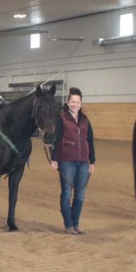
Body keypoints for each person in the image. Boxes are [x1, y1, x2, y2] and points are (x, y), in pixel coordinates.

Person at [49, 87, 95, 235]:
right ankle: (68, 224)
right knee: (67, 193)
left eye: (78, 102)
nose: (75, 104)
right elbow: (55, 140)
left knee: (80, 195)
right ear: (68, 103)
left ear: (81, 103)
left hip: (83, 161)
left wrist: (92, 161)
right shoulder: (61, 118)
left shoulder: (85, 120)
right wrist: (54, 159)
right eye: (72, 102)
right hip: (66, 160)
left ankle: (75, 224)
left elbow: (90, 140)